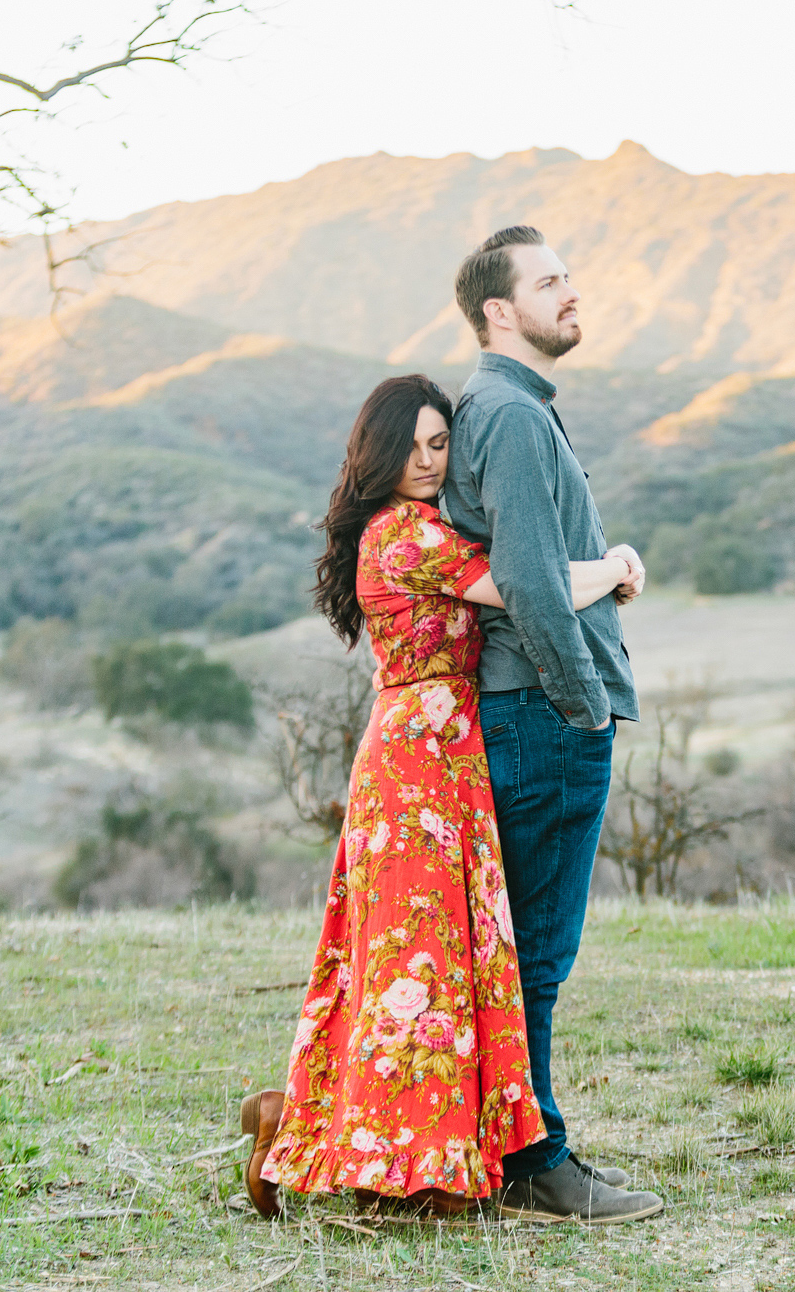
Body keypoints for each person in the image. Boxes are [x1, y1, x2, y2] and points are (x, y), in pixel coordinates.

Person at [239, 374, 643, 1218]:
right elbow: (526, 589)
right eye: (411, 447)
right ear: (377, 455)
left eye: (439, 444)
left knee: (429, 961)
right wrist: (615, 566)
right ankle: (367, 1154)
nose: (427, 462)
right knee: (411, 964)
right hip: (414, 768)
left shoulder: (427, 526)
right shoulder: (402, 534)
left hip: (447, 759)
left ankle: (319, 1128)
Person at [438, 225, 663, 1224]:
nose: (571, 293)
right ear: (499, 310)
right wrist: (581, 706)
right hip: (542, 714)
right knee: (537, 954)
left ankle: (506, 1149)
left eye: (567, 275)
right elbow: (527, 584)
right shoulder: (512, 418)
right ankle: (535, 1162)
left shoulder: (504, 410)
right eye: (549, 281)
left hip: (529, 711)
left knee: (518, 950)